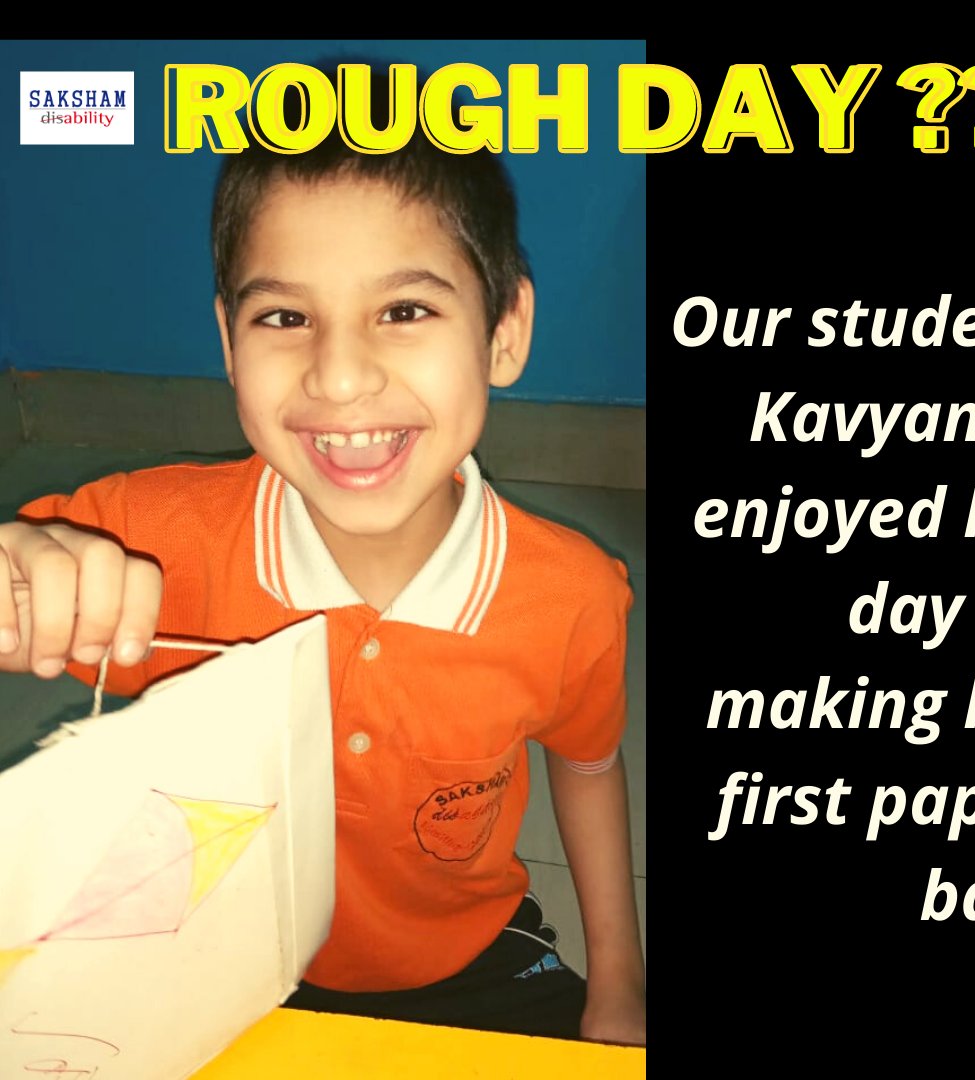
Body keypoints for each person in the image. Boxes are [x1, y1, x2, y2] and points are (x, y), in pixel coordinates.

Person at [0, 83, 645, 1045]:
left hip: (473, 963)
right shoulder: (140, 538)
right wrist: (25, 573)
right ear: (227, 341)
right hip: (203, 957)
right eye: (285, 319)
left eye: (406, 308)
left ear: (503, 331)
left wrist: (621, 987)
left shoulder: (576, 597)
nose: (339, 378)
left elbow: (588, 767)